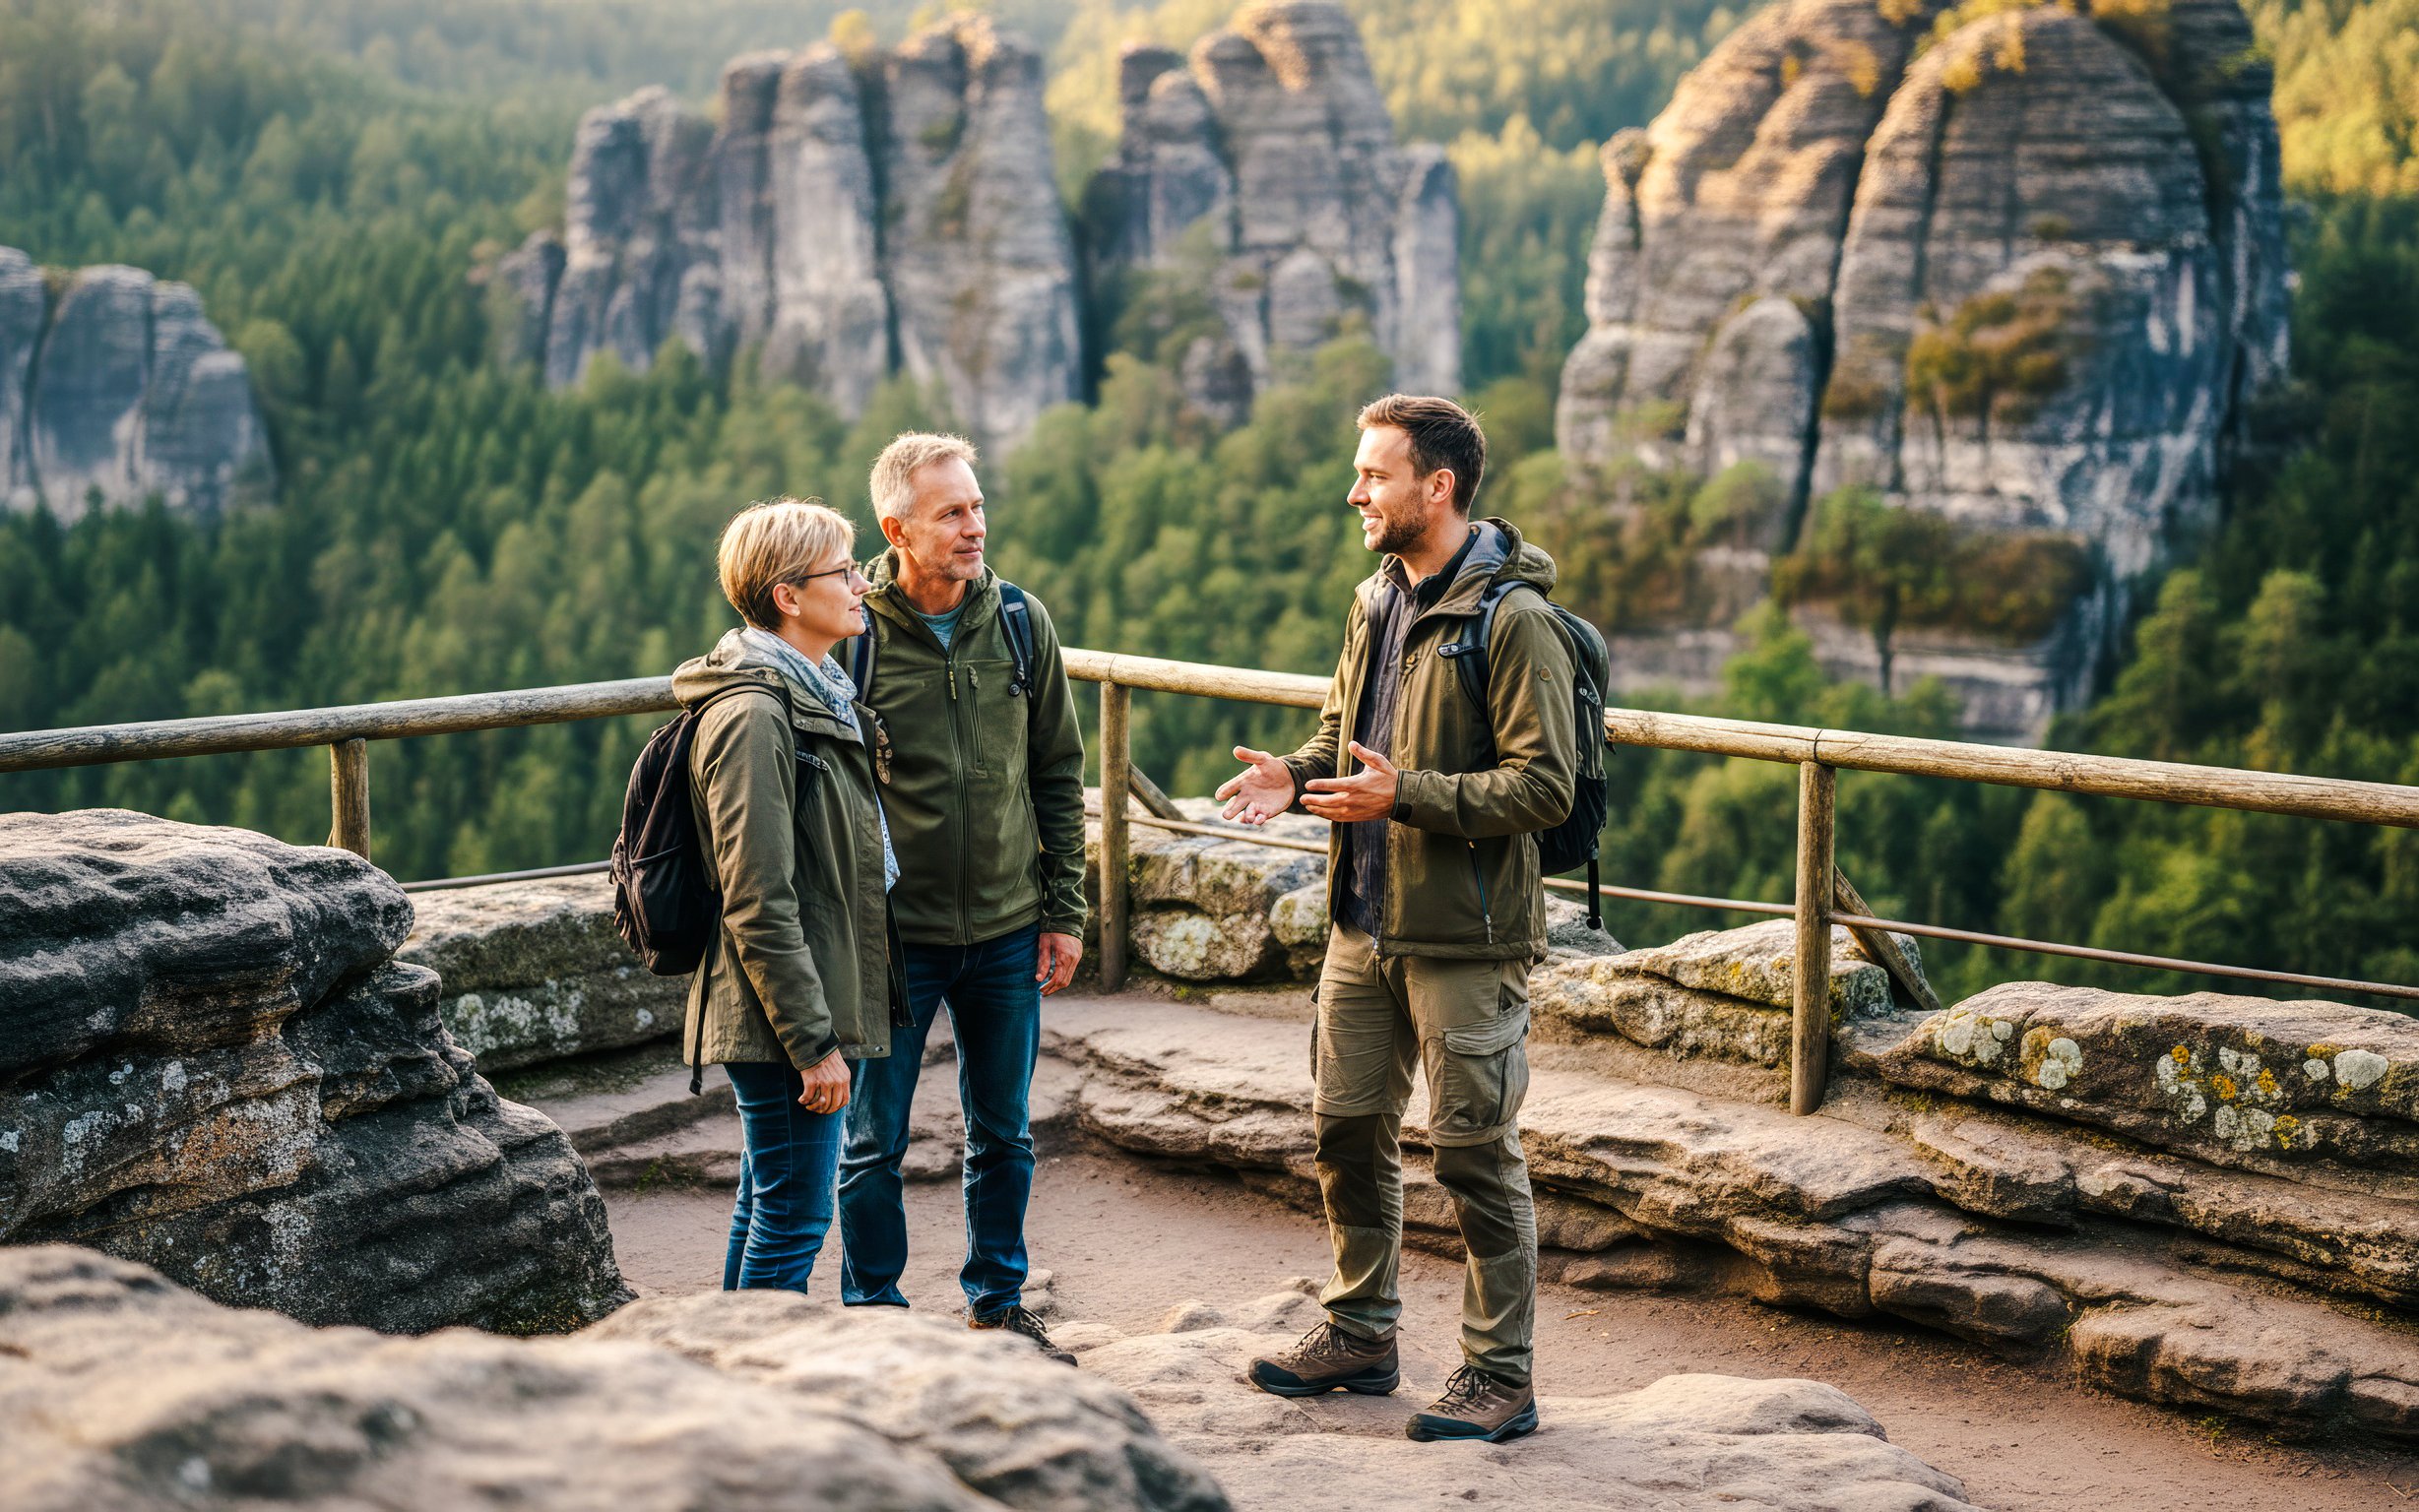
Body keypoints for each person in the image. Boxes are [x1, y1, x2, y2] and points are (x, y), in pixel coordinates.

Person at [1216, 394, 1575, 1444]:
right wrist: (1298, 770)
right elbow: (1348, 734)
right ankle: (1362, 1332)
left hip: (1467, 937)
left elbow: (1543, 788)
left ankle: (1500, 1378)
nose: (1353, 492)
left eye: (1373, 475)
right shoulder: (1375, 598)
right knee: (1345, 1132)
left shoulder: (1516, 620)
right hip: (1361, 923)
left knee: (1473, 1153)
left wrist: (1404, 793)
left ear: (1439, 487)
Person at [836, 432, 1088, 1363]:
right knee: (870, 1142)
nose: (975, 525)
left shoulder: (1020, 622)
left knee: (1005, 1136)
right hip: (893, 939)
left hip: (1008, 930)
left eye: (977, 505)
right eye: (952, 512)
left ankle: (996, 1303)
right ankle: (875, 1320)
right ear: (897, 528)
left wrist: (1063, 910)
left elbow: (1057, 774)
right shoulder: (850, 633)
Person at [673, 497, 900, 1293]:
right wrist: (813, 1041)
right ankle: (765, 1394)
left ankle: (728, 1377)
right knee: (796, 1216)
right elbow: (757, 897)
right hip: (778, 1016)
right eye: (845, 571)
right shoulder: (755, 714)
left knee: (769, 1199)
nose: (862, 585)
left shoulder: (814, 693)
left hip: (787, 1002)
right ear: (788, 597)